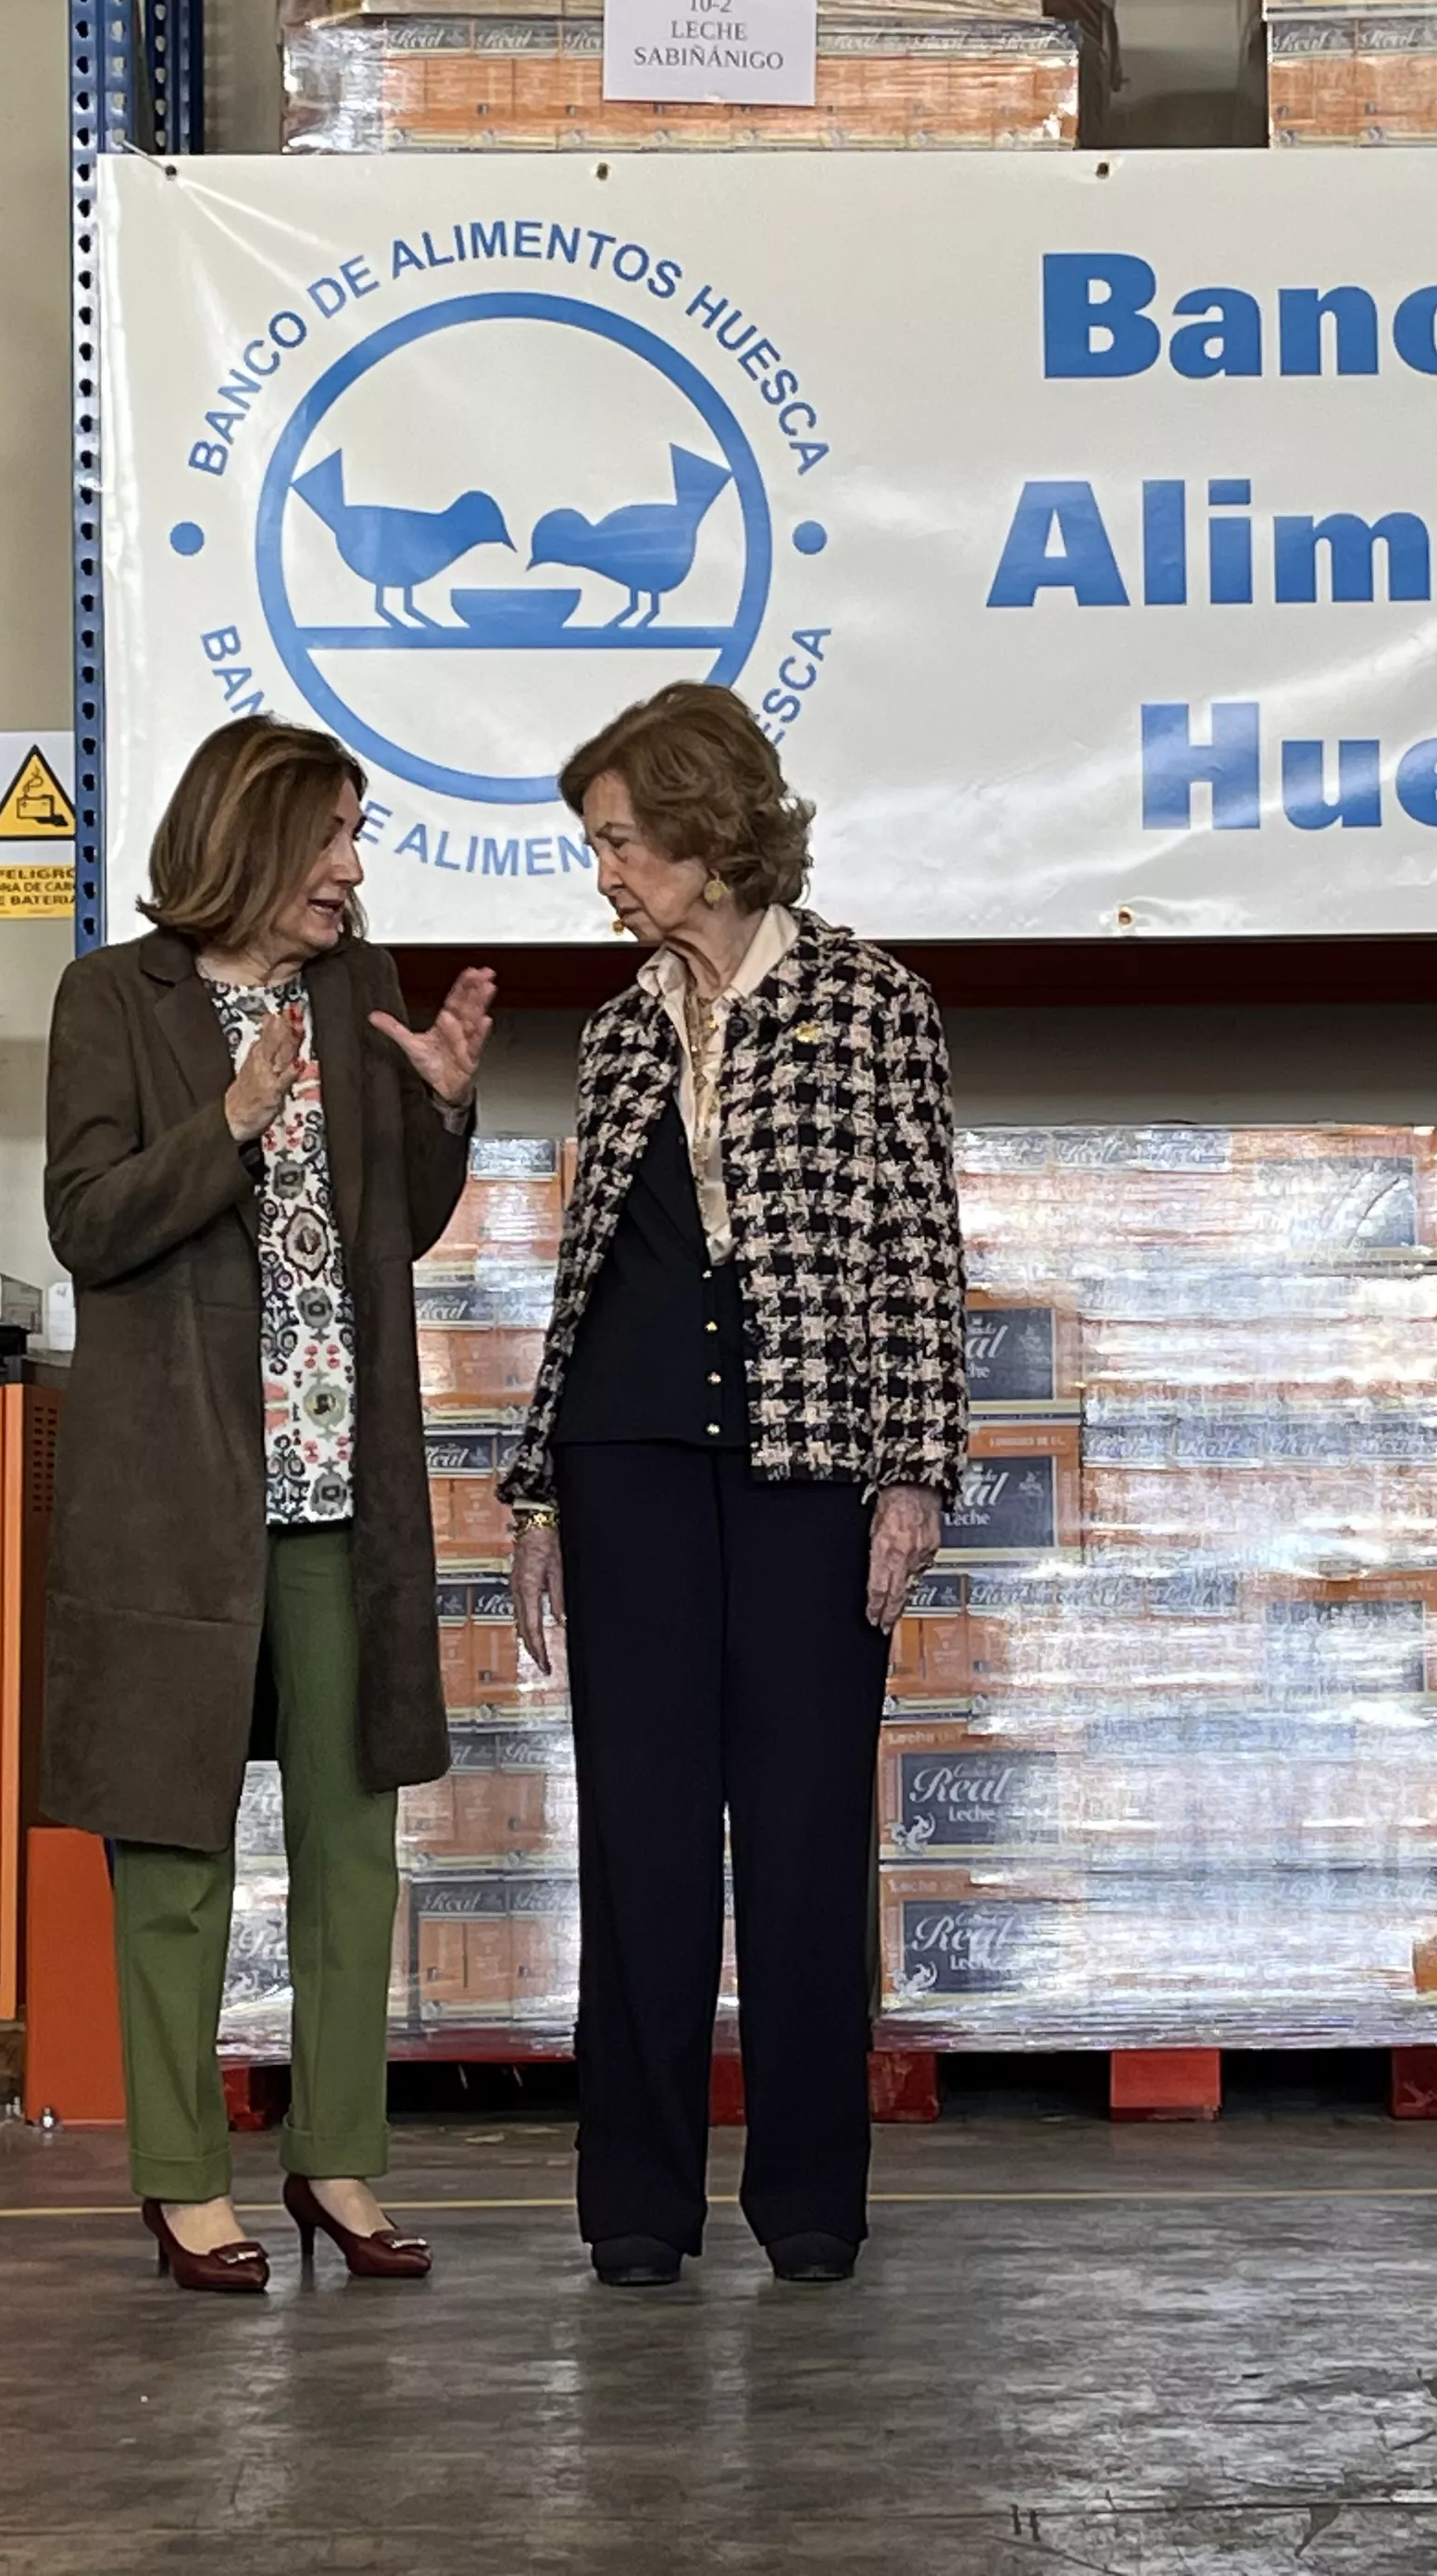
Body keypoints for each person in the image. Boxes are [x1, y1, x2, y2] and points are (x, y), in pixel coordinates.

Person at [506, 682, 968, 2290]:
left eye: (622, 841)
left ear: (709, 836)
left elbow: (919, 1251)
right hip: (626, 1460)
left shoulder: (872, 1003)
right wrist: (538, 1499)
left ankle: (809, 2197)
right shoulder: (619, 1029)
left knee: (803, 1830)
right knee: (637, 1837)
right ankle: (637, 2204)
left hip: (810, 1464)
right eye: (596, 845)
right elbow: (583, 1279)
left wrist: (913, 1471)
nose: (607, 874)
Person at [42, 715, 496, 2295]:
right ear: (252, 839)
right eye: (332, 836)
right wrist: (228, 1123)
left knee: (350, 1845)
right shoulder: (116, 999)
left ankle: (338, 2158)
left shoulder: (359, 992)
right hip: (180, 1498)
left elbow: (396, 1229)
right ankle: (183, 2180)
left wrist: (442, 1110)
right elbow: (89, 1221)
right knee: (172, 1850)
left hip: (339, 1491)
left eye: (357, 837)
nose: (353, 868)